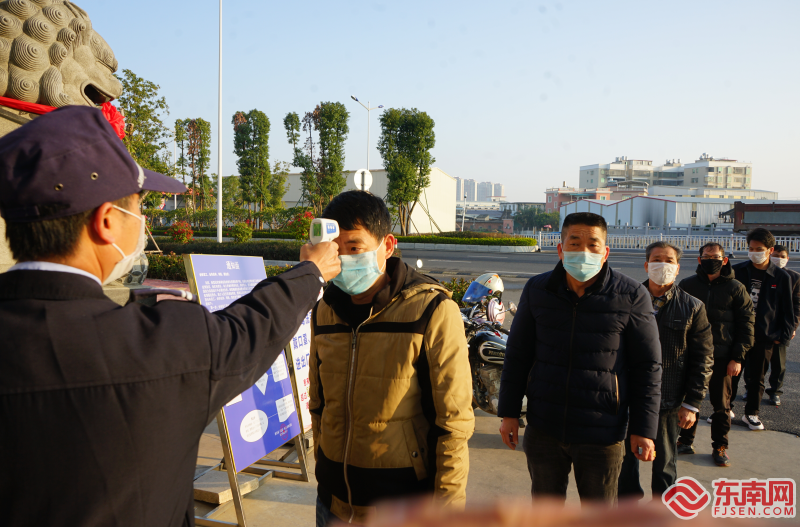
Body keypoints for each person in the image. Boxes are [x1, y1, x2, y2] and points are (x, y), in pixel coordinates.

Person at [0, 106, 341, 526]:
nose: (143, 220)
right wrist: (311, 272)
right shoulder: (168, 345)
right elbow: (252, 328)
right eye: (138, 206)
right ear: (106, 221)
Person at [308, 190, 474, 526]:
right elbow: (318, 403)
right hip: (332, 504)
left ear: (387, 245)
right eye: (335, 250)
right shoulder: (324, 310)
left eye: (354, 248)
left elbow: (453, 424)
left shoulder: (431, 310)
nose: (343, 259)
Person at [498, 212, 662, 506]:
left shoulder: (631, 295)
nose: (583, 252)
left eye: (593, 244)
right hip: (544, 427)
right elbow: (517, 354)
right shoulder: (537, 290)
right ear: (560, 249)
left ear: (605, 252)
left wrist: (643, 429)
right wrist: (509, 412)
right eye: (574, 243)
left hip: (602, 432)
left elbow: (647, 367)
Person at [617, 242, 713, 498]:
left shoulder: (693, 307)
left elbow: (703, 358)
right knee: (624, 461)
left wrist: (692, 403)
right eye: (656, 260)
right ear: (646, 265)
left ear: (678, 268)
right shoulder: (625, 301)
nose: (662, 265)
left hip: (668, 399)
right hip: (627, 395)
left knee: (665, 463)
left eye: (669, 261)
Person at [675, 242, 754, 466]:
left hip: (722, 356)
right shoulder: (687, 285)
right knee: (689, 400)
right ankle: (685, 440)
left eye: (716, 257)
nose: (711, 260)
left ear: (724, 260)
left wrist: (737, 357)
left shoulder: (736, 288)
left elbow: (747, 324)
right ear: (699, 259)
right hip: (691, 354)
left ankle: (720, 446)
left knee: (721, 405)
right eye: (707, 257)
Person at [730, 228, 794, 430]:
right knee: (731, 374)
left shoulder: (781, 277)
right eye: (751, 248)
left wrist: (782, 337)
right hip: (737, 333)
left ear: (770, 250)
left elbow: (787, 309)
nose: (754, 252)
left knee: (757, 378)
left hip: (764, 336)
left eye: (759, 249)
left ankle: (751, 413)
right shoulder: (737, 271)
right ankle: (724, 409)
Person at [765, 245, 800, 406]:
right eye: (776, 255)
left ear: (787, 258)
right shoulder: (763, 274)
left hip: (782, 325)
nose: (778, 259)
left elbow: (797, 306)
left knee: (779, 363)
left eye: (782, 256)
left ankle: (775, 391)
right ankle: (752, 389)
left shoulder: (794, 277)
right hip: (762, 324)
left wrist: (793, 327)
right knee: (756, 362)